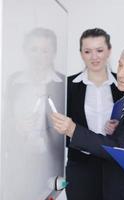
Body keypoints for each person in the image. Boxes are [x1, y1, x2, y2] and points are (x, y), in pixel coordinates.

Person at [52, 41, 124, 200]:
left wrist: (73, 130)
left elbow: (120, 148)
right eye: (120, 65)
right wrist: (118, 127)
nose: (120, 73)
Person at [3, 27, 65, 200]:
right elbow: (5, 120)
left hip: (51, 165)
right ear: (25, 51)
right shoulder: (14, 81)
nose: (39, 56)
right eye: (34, 49)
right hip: (19, 163)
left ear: (54, 53)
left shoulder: (62, 83)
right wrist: (16, 125)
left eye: (45, 50)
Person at [65, 28, 124, 200]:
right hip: (80, 166)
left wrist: (119, 127)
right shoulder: (68, 86)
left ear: (109, 51)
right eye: (88, 51)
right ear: (81, 54)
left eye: (99, 50)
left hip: (115, 164)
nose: (94, 57)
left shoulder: (123, 85)